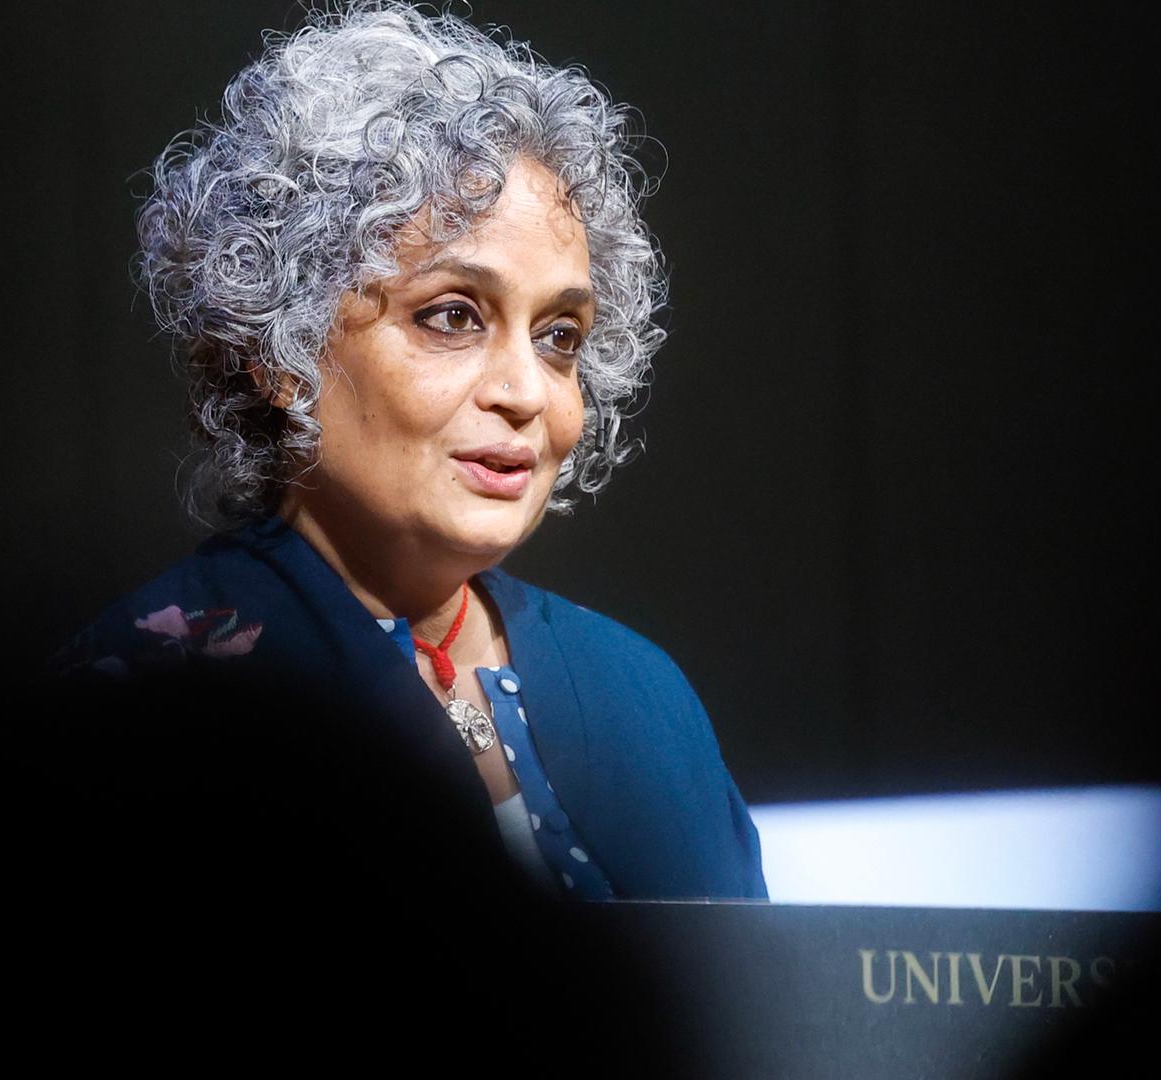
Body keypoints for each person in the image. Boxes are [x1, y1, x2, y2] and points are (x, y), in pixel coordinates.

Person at [54, 0, 767, 906]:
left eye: (559, 336)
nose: (524, 391)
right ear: (282, 349)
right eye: (452, 316)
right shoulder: (138, 702)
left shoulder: (641, 695)